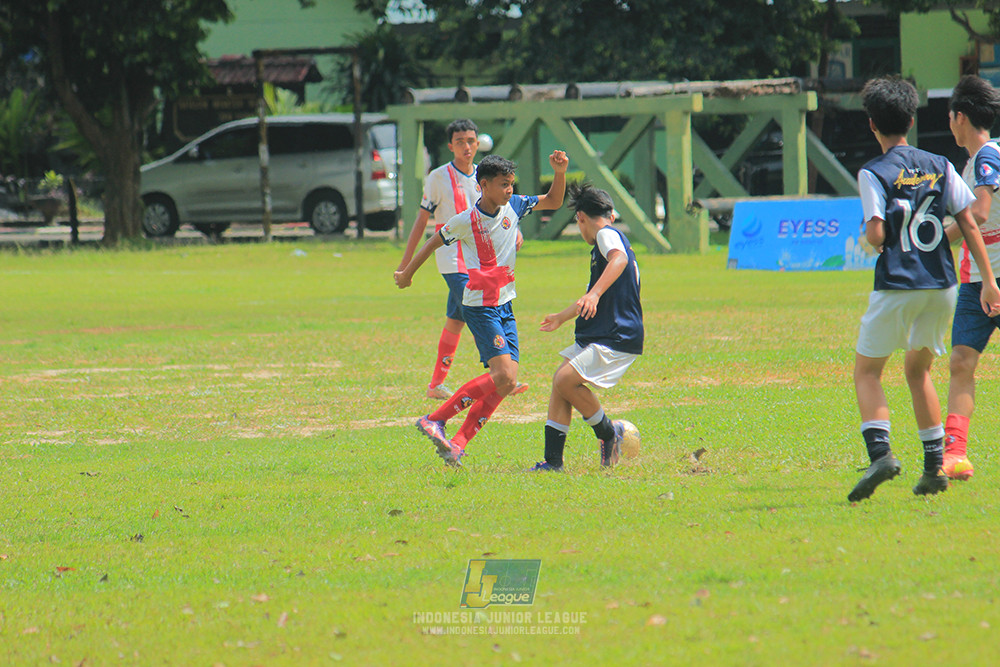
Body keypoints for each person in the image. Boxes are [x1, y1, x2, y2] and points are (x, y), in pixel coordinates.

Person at [848, 76, 1000, 503]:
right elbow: (970, 221)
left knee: (867, 371)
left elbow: (877, 234)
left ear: (872, 124)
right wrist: (988, 280)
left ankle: (881, 455)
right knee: (920, 370)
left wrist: (872, 237)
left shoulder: (873, 172)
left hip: (898, 283)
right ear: (912, 121)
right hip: (943, 284)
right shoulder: (942, 164)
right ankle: (936, 465)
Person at [395, 150, 569, 465]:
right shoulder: (466, 221)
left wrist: (559, 173)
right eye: (503, 184)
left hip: (505, 305)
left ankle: (457, 444)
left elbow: (554, 201)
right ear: (484, 185)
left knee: (508, 382)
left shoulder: (515, 206)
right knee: (502, 375)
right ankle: (435, 419)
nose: (510, 190)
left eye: (511, 184)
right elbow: (433, 242)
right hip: (480, 306)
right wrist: (407, 273)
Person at [397, 119, 527, 400]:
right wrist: (406, 265)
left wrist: (514, 230)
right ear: (450, 146)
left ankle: (436, 385)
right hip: (454, 262)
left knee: (456, 320)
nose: (466, 147)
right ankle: (502, 372)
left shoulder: (487, 176)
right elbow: (422, 221)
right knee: (478, 309)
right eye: (460, 142)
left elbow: (498, 214)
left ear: (478, 143)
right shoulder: (438, 177)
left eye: (470, 141)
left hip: (480, 262)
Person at [529, 183, 643, 472]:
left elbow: (619, 259)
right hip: (602, 331)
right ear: (611, 213)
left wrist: (594, 294)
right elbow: (592, 294)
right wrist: (562, 316)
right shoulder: (605, 244)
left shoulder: (605, 235)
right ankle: (553, 461)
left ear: (580, 218)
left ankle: (609, 433)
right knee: (560, 383)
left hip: (616, 334)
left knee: (565, 380)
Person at [942, 74, 1000, 481]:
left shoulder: (986, 156)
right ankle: (955, 453)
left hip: (992, 281)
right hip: (975, 280)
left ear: (960, 117)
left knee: (962, 363)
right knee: (961, 361)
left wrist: (931, 240)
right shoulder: (974, 161)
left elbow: (978, 213)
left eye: (950, 117)